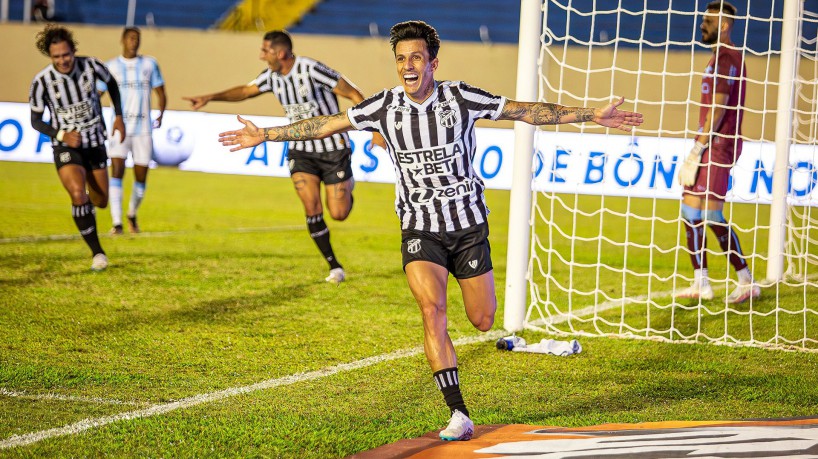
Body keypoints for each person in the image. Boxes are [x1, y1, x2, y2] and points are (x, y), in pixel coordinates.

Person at [218, 20, 643, 441]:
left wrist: (590, 114)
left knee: (482, 319)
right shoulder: (382, 106)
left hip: (468, 225)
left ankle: (469, 358)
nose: (408, 65)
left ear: (433, 63)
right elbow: (326, 123)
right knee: (432, 311)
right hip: (419, 227)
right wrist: (268, 134)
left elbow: (523, 111)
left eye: (416, 57)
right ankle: (458, 413)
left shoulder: (461, 98)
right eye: (401, 58)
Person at [183, 30, 384, 284]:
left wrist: (374, 128)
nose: (261, 55)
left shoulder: (311, 69)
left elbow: (353, 93)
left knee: (339, 213)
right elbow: (245, 91)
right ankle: (334, 266)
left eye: (265, 50)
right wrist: (210, 97)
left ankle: (347, 187)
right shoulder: (271, 76)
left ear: (279, 53)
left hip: (334, 149)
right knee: (311, 207)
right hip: (300, 151)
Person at [676, 1, 759, 304]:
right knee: (689, 211)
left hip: (718, 145)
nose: (702, 25)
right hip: (708, 144)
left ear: (723, 26)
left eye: (708, 21)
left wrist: (697, 148)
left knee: (711, 214)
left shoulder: (727, 57)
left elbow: (720, 108)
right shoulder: (716, 58)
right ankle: (702, 284)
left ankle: (747, 281)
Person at [29, 24, 126, 271]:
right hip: (65, 146)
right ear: (50, 56)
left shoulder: (91, 66)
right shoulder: (42, 82)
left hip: (95, 141)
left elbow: (112, 85)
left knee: (101, 200)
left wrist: (118, 116)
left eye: (66, 54)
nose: (62, 60)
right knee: (77, 193)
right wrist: (62, 134)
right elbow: (36, 120)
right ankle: (98, 254)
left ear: (73, 50)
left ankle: (85, 211)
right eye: (56, 57)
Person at [98, 27, 167, 234]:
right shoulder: (110, 66)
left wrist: (161, 113)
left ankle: (132, 214)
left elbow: (161, 92)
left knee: (141, 177)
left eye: (137, 39)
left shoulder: (149, 64)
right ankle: (117, 223)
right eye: (130, 38)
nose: (133, 42)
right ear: (122, 40)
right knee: (117, 171)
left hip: (144, 129)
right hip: (120, 128)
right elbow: (97, 94)